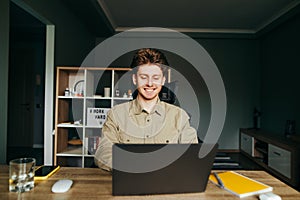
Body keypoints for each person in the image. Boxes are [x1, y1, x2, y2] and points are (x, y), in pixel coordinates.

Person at [94, 48, 198, 171]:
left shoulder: (179, 116)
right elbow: (103, 153)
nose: (150, 83)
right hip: (129, 181)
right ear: (134, 79)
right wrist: (132, 167)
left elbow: (192, 156)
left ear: (163, 80)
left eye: (155, 77)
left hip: (167, 183)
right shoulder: (116, 114)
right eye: (144, 77)